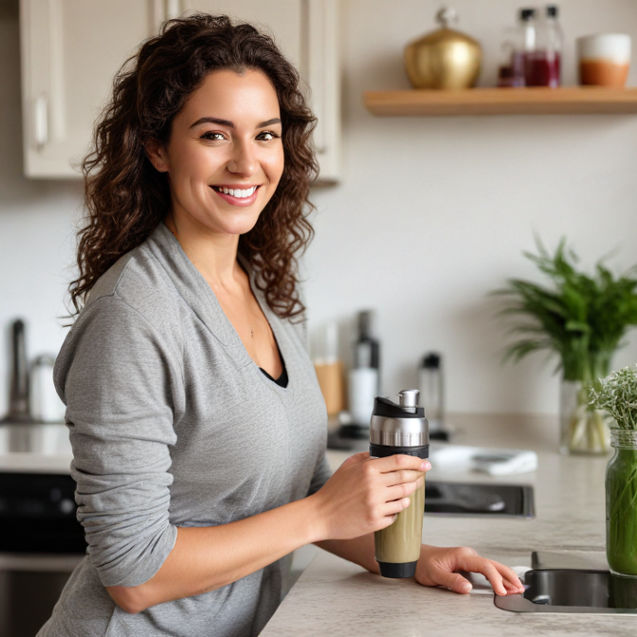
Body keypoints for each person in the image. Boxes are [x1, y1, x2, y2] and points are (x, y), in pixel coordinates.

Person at [38, 14, 523, 637]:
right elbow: (135, 576)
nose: (246, 163)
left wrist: (413, 560)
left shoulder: (256, 286)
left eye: (265, 134)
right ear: (156, 147)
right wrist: (323, 513)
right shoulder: (133, 317)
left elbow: (294, 492)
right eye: (214, 135)